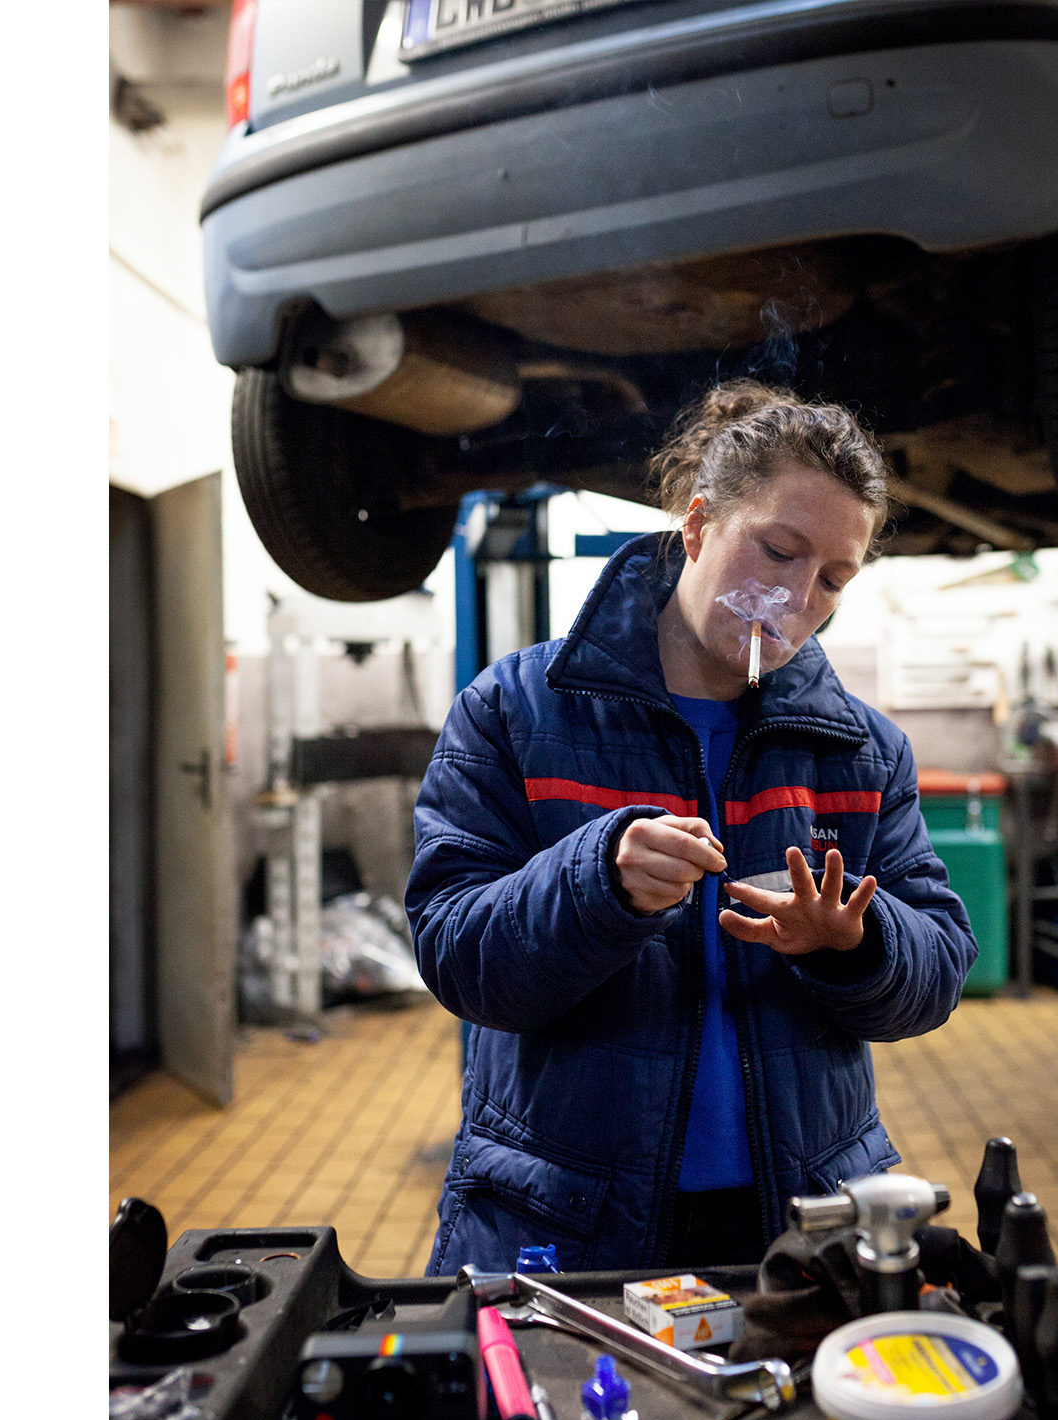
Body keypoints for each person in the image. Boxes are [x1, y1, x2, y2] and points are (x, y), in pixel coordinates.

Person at [409, 380, 977, 1274]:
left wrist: (855, 942)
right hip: (569, 1220)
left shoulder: (861, 751)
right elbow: (454, 950)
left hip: (798, 1223)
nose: (795, 596)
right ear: (700, 524)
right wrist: (597, 882)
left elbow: (939, 966)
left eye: (833, 579)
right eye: (778, 550)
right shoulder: (515, 710)